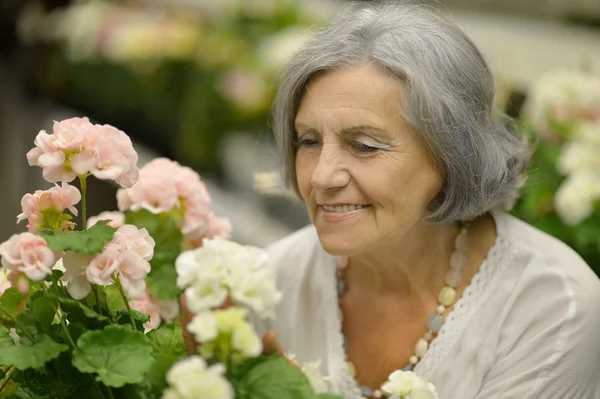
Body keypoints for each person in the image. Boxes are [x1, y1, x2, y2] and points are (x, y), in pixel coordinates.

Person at [249, 1, 600, 398]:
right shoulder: (268, 283)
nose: (321, 176)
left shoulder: (552, 306)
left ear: (451, 154)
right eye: (308, 141)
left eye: (364, 145)